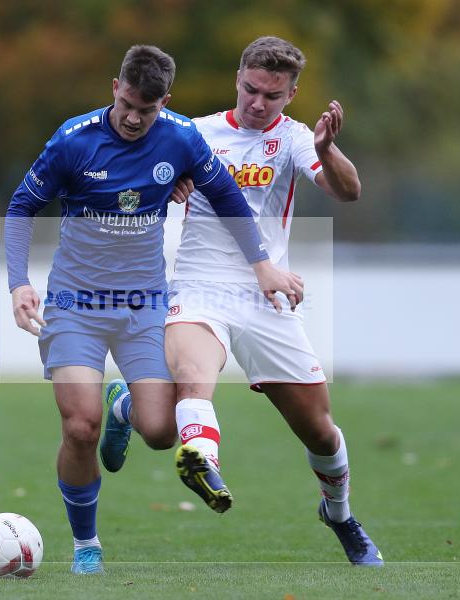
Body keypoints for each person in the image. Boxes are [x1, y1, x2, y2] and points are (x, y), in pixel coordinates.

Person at [5, 44, 302, 575]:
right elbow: (21, 205)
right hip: (76, 305)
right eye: (126, 105)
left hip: (144, 305)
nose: (133, 119)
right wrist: (19, 283)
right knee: (80, 427)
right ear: (114, 88)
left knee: (163, 432)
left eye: (146, 110)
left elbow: (228, 198)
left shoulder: (181, 137)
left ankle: (124, 406)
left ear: (164, 102)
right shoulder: (73, 140)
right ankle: (86, 544)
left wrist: (261, 265)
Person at [102, 36, 383, 566]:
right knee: (189, 385)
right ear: (238, 78)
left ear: (291, 94)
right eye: (251, 89)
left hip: (266, 295)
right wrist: (168, 183)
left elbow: (348, 191)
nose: (258, 103)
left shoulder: (296, 138)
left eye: (272, 96)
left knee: (321, 433)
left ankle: (340, 515)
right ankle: (203, 461)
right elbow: (131, 178)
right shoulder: (195, 133)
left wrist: (326, 150)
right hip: (198, 287)